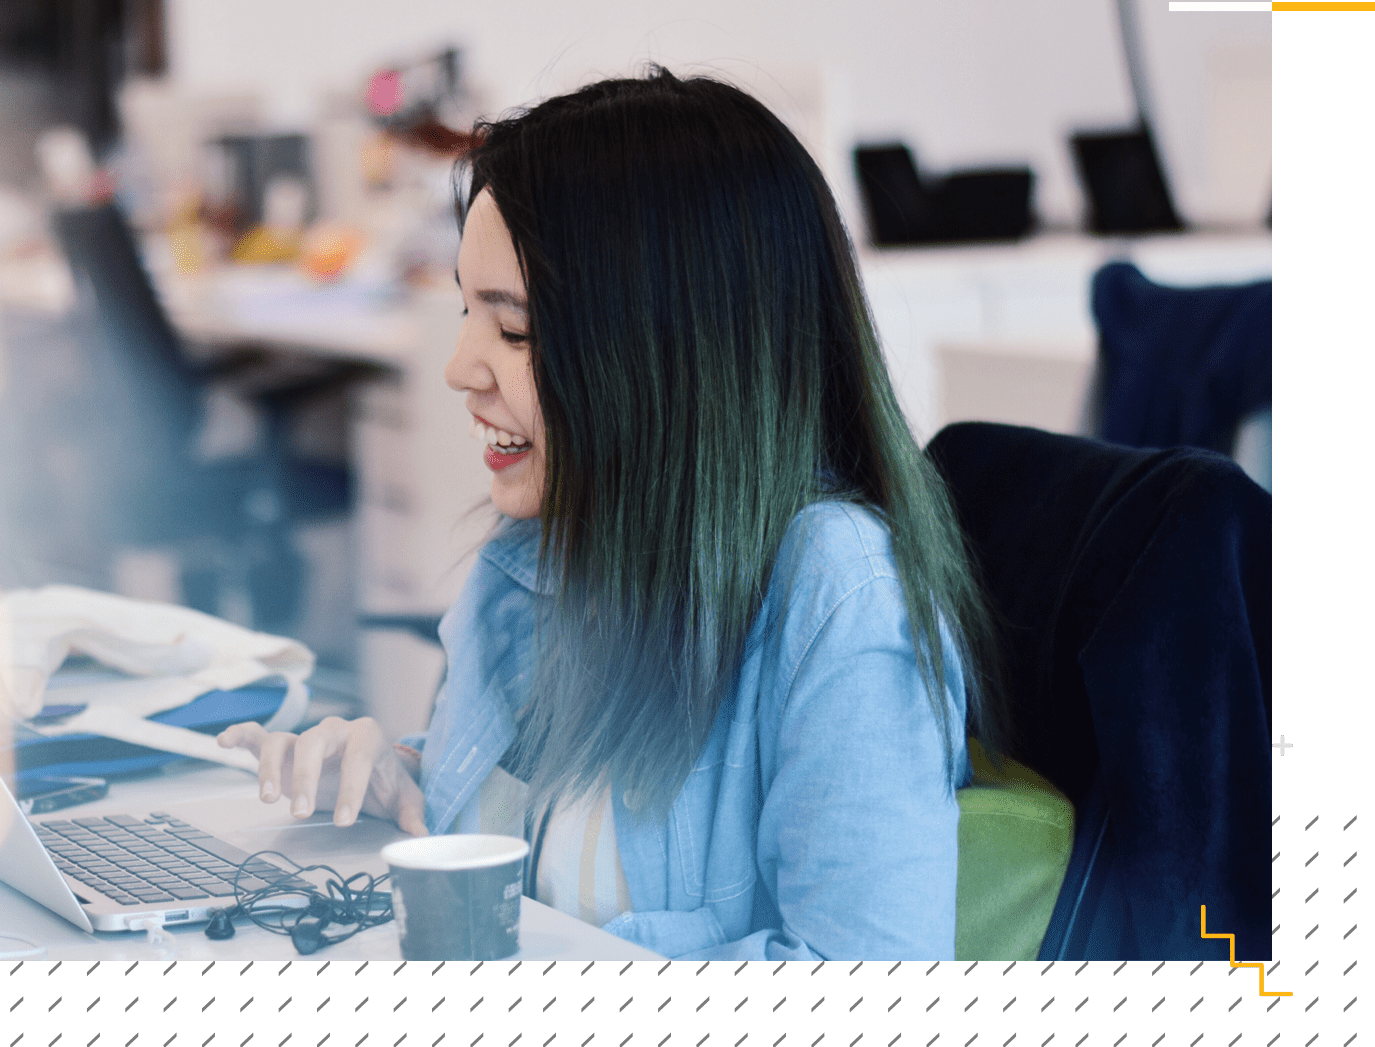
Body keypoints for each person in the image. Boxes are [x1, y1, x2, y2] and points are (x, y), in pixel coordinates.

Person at [219, 67, 1005, 960]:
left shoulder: (840, 595)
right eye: (468, 312)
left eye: (514, 331)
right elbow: (539, 845)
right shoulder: (540, 555)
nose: (461, 368)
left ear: (668, 350)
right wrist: (398, 781)